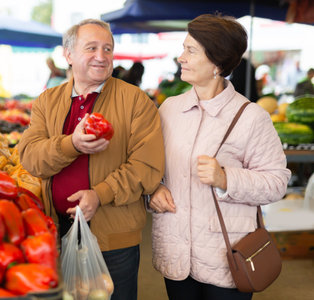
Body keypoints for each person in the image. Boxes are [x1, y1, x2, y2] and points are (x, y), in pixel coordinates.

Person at [18, 19, 165, 300]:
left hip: (114, 239)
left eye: (107, 49)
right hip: (57, 230)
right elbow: (30, 157)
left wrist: (100, 195)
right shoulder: (47, 101)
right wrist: (71, 144)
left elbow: (146, 167)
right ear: (68, 55)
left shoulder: (136, 101)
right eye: (92, 48)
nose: (101, 56)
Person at [149, 14, 291, 300]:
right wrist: (152, 190)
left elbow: (277, 182)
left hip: (226, 258)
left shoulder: (251, 117)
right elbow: (152, 167)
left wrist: (226, 178)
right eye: (183, 49)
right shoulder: (168, 111)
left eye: (190, 51)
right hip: (176, 252)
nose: (181, 58)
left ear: (216, 62)